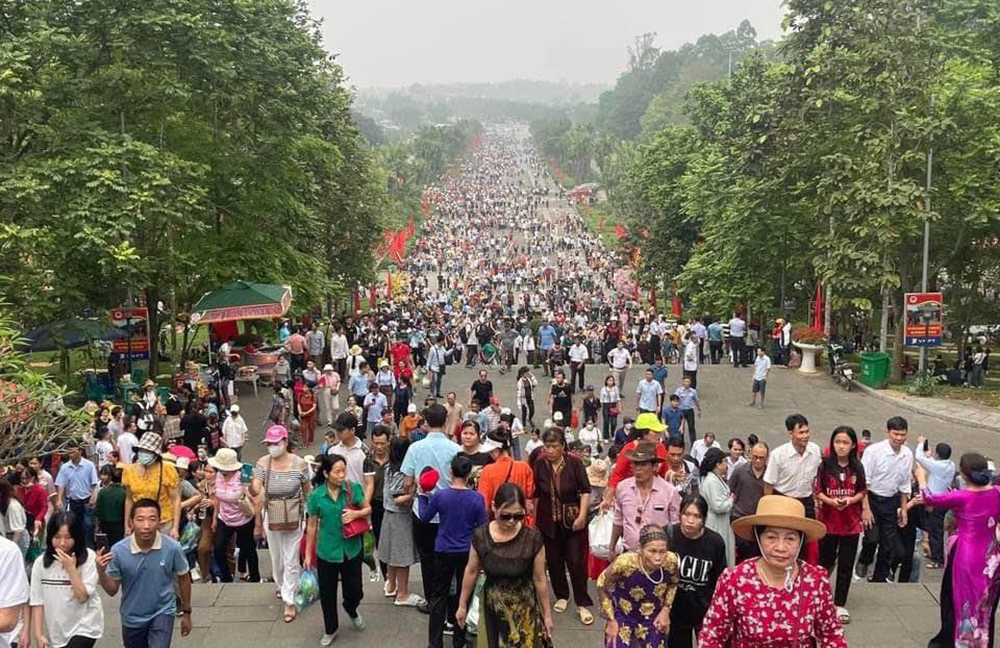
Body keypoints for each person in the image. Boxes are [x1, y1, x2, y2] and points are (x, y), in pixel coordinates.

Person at [698, 496, 846, 647]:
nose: (780, 547)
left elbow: (832, 636)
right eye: (771, 537)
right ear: (758, 537)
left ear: (801, 541)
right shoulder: (735, 580)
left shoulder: (815, 581)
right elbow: (711, 636)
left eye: (790, 539)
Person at [916, 452, 1000, 647]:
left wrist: (921, 477)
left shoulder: (962, 496)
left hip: (967, 557)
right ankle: (982, 642)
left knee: (965, 602)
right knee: (986, 606)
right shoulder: (996, 492)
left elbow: (929, 498)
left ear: (963, 474)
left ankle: (964, 642)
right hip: (992, 557)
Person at [455, 483, 554, 647]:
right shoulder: (481, 536)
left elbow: (540, 579)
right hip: (493, 610)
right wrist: (462, 605)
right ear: (494, 507)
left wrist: (547, 615)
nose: (512, 521)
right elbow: (471, 571)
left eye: (518, 516)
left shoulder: (532, 539)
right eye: (506, 516)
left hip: (525, 611)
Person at [96, 498, 193, 648]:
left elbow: (184, 578)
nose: (146, 526)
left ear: (159, 522)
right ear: (131, 523)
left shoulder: (172, 548)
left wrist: (187, 612)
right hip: (132, 616)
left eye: (152, 519)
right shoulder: (118, 551)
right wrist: (101, 572)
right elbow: (112, 590)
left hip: (163, 610)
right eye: (140, 520)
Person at [417, 454, 487, 648]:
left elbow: (424, 517)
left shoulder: (441, 496)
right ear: (469, 474)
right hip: (466, 552)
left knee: (439, 596)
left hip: (443, 550)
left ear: (450, 472)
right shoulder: (477, 499)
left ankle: (435, 642)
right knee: (462, 596)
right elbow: (482, 528)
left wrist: (422, 495)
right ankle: (459, 640)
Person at [304, 453, 371, 645]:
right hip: (327, 551)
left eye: (344, 470)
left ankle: (351, 607)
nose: (342, 475)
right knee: (327, 593)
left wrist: (355, 513)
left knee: (356, 590)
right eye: (337, 471)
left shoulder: (353, 489)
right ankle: (330, 628)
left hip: (351, 549)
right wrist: (308, 554)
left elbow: (368, 509)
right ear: (326, 473)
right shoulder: (316, 496)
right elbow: (311, 525)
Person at [401, 404, 461, 610]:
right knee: (449, 558)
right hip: (450, 511)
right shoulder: (455, 449)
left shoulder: (415, 448)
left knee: (427, 558)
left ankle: (432, 601)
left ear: (426, 421)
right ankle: (450, 600)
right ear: (446, 421)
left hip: (423, 511)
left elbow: (408, 482)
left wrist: (411, 498)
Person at [248, 424, 311, 623]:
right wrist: (252, 488)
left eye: (275, 443)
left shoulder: (300, 464)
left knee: (291, 558)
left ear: (284, 442)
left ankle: (289, 600)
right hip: (272, 515)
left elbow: (307, 489)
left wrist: (311, 515)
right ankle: (283, 585)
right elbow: (257, 488)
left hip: (294, 514)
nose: (272, 447)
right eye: (269, 443)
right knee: (277, 558)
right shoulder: (262, 463)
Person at [532, 428, 594, 626]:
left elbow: (585, 491)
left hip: (572, 519)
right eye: (547, 446)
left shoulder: (574, 463)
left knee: (576, 561)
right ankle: (561, 595)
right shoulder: (540, 463)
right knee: (553, 560)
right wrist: (533, 520)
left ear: (562, 446)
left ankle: (582, 602)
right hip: (548, 520)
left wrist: (582, 515)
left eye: (554, 446)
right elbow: (535, 494)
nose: (550, 450)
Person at [814, 426, 868, 625]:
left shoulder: (857, 467)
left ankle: (839, 604)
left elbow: (863, 490)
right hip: (828, 522)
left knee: (846, 565)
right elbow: (818, 490)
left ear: (853, 444)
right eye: (837, 442)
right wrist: (830, 501)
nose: (841, 446)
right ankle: (819, 599)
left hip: (851, 524)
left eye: (845, 442)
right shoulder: (825, 466)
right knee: (824, 563)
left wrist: (852, 500)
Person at [597, 523, 680, 647]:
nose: (657, 557)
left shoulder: (671, 561)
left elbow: (673, 583)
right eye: (652, 551)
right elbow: (601, 584)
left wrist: (666, 609)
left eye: (662, 551)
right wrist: (611, 619)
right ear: (640, 549)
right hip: (624, 616)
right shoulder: (625, 563)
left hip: (653, 617)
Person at [30, 512, 104, 648]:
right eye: (57, 537)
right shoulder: (40, 563)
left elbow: (82, 597)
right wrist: (38, 634)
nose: (62, 543)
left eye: (68, 537)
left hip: (85, 626)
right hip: (57, 630)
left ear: (77, 537)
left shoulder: (88, 558)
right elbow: (37, 601)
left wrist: (71, 569)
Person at [858, 416, 914, 583]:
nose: (899, 438)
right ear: (887, 432)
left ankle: (879, 579)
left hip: (891, 501)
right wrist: (866, 509)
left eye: (902, 434)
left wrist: (904, 509)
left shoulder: (907, 454)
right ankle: (864, 560)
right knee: (871, 539)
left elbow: (904, 485)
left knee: (888, 545)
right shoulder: (874, 451)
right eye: (895, 434)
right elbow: (863, 483)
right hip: (872, 499)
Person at [667, 495, 727, 648]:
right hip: (675, 611)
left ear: (704, 519)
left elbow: (720, 580)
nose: (690, 521)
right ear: (680, 514)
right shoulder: (668, 536)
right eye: (686, 514)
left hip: (704, 611)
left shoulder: (715, 542)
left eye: (696, 516)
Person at [609, 443, 681, 562]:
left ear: (655, 467)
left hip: (658, 558)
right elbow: (618, 520)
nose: (638, 469)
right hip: (629, 554)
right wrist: (611, 547)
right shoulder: (623, 488)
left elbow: (675, 528)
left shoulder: (670, 492)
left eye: (643, 465)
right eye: (635, 464)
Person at [379, 436, 424, 607]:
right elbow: (398, 498)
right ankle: (403, 593)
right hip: (400, 516)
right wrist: (415, 494)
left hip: (388, 515)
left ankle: (391, 585)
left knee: (391, 554)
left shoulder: (389, 467)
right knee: (401, 556)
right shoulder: (402, 472)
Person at [207, 448, 259, 583]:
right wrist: (214, 519)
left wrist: (251, 483)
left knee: (248, 549)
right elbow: (217, 498)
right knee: (218, 549)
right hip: (224, 518)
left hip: (243, 519)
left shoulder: (242, 476)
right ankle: (226, 578)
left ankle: (255, 578)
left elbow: (254, 495)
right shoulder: (218, 476)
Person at [121, 433, 181, 540]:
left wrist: (175, 527)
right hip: (139, 520)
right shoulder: (129, 471)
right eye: (142, 450)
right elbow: (129, 499)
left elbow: (175, 500)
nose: (144, 454)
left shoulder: (167, 470)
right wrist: (126, 524)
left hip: (163, 522)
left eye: (148, 451)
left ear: (155, 454)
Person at [912, 435, 955, 570]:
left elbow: (919, 457)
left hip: (935, 501)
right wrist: (929, 456)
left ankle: (938, 559)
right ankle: (931, 550)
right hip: (943, 499)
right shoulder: (950, 465)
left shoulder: (938, 466)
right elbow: (932, 464)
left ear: (937, 453)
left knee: (935, 531)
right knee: (930, 527)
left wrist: (921, 443)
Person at [478, 430, 534, 524]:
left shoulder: (488, 470)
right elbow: (530, 496)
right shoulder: (524, 467)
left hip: (498, 522)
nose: (490, 455)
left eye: (490, 453)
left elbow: (484, 503)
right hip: (519, 521)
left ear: (496, 451)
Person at [54, 440, 99, 549]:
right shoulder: (65, 467)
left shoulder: (89, 465)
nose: (70, 454)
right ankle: (75, 548)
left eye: (73, 452)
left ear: (80, 451)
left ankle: (89, 549)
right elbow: (61, 484)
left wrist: (94, 496)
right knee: (73, 526)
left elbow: (94, 483)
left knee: (88, 526)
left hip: (86, 501)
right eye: (68, 452)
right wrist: (59, 499)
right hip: (73, 501)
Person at [729, 441, 768, 563]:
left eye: (761, 458)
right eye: (755, 457)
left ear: (767, 458)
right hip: (740, 518)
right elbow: (730, 490)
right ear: (750, 454)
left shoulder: (770, 475)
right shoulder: (740, 471)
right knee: (740, 555)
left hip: (760, 520)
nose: (757, 461)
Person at [698, 448, 736, 567]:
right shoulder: (711, 481)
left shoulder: (717, 479)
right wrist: (731, 500)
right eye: (724, 461)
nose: (726, 464)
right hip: (715, 523)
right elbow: (718, 506)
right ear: (717, 464)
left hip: (722, 522)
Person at [94, 466, 126, 548]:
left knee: (106, 547)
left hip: (104, 525)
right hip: (120, 526)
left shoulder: (102, 492)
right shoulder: (124, 493)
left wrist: (97, 526)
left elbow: (97, 511)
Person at [673, 376, 700, 445]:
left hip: (689, 410)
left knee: (691, 427)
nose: (687, 383)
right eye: (685, 381)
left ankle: (693, 443)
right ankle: (680, 443)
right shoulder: (678, 391)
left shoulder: (693, 391)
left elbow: (696, 401)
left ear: (690, 383)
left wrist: (699, 410)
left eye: (688, 382)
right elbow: (674, 400)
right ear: (682, 382)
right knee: (680, 428)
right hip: (681, 411)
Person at [599, 375, 623, 442]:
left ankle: (612, 434)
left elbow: (618, 399)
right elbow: (601, 400)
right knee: (606, 422)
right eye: (609, 380)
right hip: (606, 406)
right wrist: (601, 408)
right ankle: (605, 436)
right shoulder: (603, 389)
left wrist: (620, 407)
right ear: (606, 381)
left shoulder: (616, 389)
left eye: (612, 380)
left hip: (613, 405)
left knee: (614, 422)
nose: (610, 382)